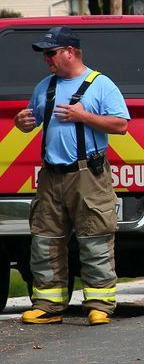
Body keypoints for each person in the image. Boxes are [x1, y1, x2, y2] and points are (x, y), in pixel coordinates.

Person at [14, 27, 130, 326]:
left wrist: (83, 116)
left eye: (50, 53)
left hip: (87, 175)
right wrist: (21, 122)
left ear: (70, 52)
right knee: (45, 242)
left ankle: (100, 305)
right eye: (45, 54)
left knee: (95, 240)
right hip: (51, 177)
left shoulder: (101, 85)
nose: (46, 59)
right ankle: (48, 306)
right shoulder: (45, 87)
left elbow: (120, 125)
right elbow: (30, 121)